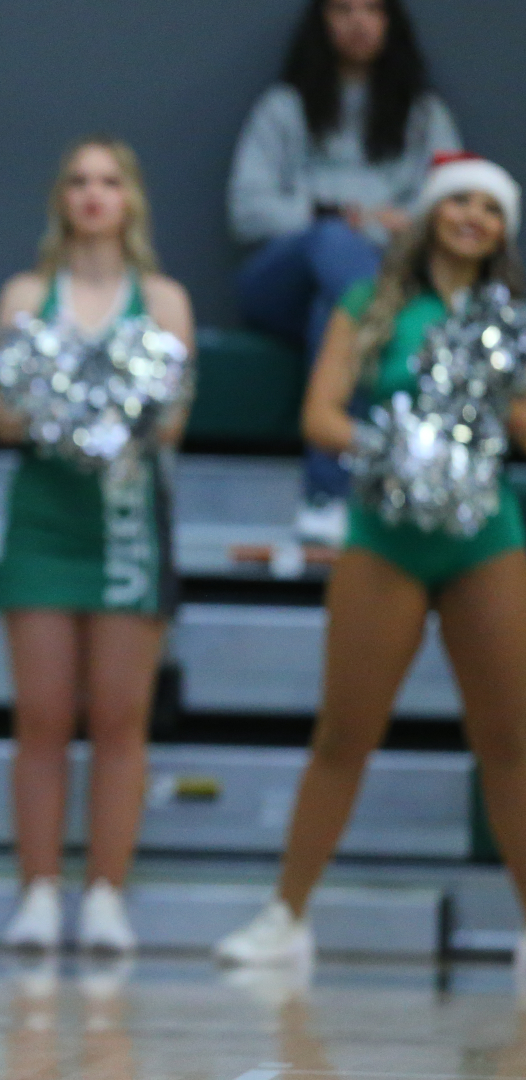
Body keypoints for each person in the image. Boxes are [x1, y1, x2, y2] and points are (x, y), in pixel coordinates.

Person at [216, 155, 526, 967]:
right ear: (428, 214)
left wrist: (488, 419)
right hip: (386, 532)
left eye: (488, 209)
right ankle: (286, 918)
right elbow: (321, 416)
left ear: (503, 231)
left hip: (486, 534)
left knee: (511, 739)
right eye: (457, 201)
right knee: (345, 732)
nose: (471, 218)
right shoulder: (371, 305)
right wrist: (396, 447)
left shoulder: (513, 317)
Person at [0, 137, 196, 955]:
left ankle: (107, 897)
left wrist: (82, 413)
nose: (94, 194)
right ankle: (38, 894)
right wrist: (79, 417)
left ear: (131, 198)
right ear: (60, 198)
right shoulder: (25, 293)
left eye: (110, 181)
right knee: (41, 718)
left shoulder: (167, 299)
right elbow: (4, 419)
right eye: (78, 179)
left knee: (120, 720)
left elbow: (172, 421)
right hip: (42, 516)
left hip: (125, 520)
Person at [228, 0, 457, 545]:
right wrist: (340, 219)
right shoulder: (283, 107)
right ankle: (389, 332)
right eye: (343, 9)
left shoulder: (423, 114)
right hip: (280, 280)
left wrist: (376, 228)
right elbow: (248, 210)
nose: (358, 22)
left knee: (333, 312)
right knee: (335, 247)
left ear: (390, 24)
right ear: (321, 22)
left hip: (367, 284)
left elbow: (448, 211)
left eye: (373, 10)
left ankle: (327, 496)